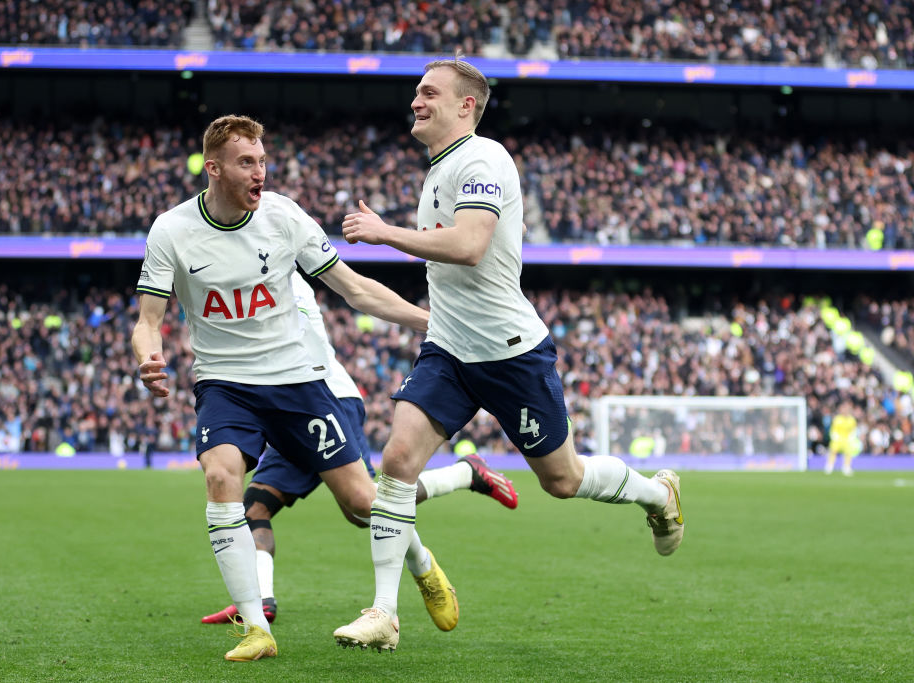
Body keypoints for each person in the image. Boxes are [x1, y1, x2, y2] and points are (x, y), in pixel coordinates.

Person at [333, 58, 685, 651]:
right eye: (416, 92)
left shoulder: (484, 158)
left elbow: (470, 246)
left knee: (563, 480)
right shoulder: (440, 166)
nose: (415, 101)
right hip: (448, 348)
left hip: (509, 352)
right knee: (395, 462)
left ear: (466, 104)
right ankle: (383, 614)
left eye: (429, 92)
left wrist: (386, 233)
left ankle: (658, 494)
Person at [132, 114, 458, 662]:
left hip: (296, 381)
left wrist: (426, 321)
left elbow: (353, 288)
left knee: (361, 504)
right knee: (220, 476)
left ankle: (423, 563)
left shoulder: (283, 216)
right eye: (246, 162)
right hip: (224, 383)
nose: (260, 171)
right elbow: (147, 320)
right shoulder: (171, 230)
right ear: (213, 168)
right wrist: (148, 356)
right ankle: (257, 628)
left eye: (262, 160)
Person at [201, 271, 519, 625]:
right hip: (281, 408)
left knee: (365, 506)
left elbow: (310, 336)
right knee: (255, 507)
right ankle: (261, 600)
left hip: (322, 398)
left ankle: (457, 490)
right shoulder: (236, 274)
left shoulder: (280, 277)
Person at [824, 400, 860, 476]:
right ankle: (830, 466)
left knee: (848, 453)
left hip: (847, 440)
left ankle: (846, 467)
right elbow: (833, 429)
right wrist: (834, 436)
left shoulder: (851, 419)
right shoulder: (837, 419)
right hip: (837, 440)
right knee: (833, 451)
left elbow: (854, 429)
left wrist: (852, 436)